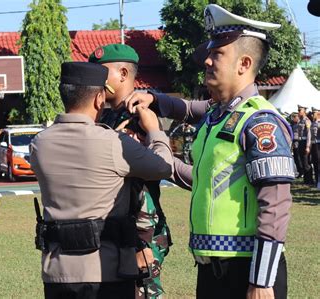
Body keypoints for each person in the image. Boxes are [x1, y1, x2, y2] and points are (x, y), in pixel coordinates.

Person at [125, 4, 294, 299]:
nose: (206, 61)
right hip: (211, 269)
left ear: (243, 64)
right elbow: (188, 110)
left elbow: (276, 204)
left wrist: (262, 280)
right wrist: (153, 98)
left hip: (247, 272)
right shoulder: (219, 114)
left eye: (217, 54)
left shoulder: (260, 122)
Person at [30, 61, 174, 299]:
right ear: (99, 98)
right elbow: (164, 167)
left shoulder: (39, 144)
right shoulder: (113, 142)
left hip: (57, 273)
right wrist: (155, 132)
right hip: (106, 271)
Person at [89, 43, 171, 299]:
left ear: (123, 74)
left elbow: (143, 187)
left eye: (101, 73)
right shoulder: (107, 118)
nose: (95, 80)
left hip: (138, 236)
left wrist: (144, 243)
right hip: (114, 233)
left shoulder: (141, 116)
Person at [298, 105, 314, 184]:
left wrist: (308, 146)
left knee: (306, 162)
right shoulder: (300, 120)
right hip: (300, 142)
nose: (298, 112)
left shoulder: (306, 120)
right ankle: (306, 180)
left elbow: (309, 134)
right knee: (302, 161)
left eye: (299, 110)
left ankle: (309, 180)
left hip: (305, 143)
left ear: (304, 111)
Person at [311, 107, 320, 188]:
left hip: (318, 145)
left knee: (318, 163)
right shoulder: (312, 122)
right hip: (313, 145)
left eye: (314, 113)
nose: (312, 114)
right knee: (315, 163)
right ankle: (317, 182)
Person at [290, 112, 302, 178]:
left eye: (294, 117)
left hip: (299, 143)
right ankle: (299, 172)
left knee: (299, 158)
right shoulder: (292, 125)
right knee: (296, 158)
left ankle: (302, 171)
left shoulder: (299, 124)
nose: (293, 119)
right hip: (294, 143)